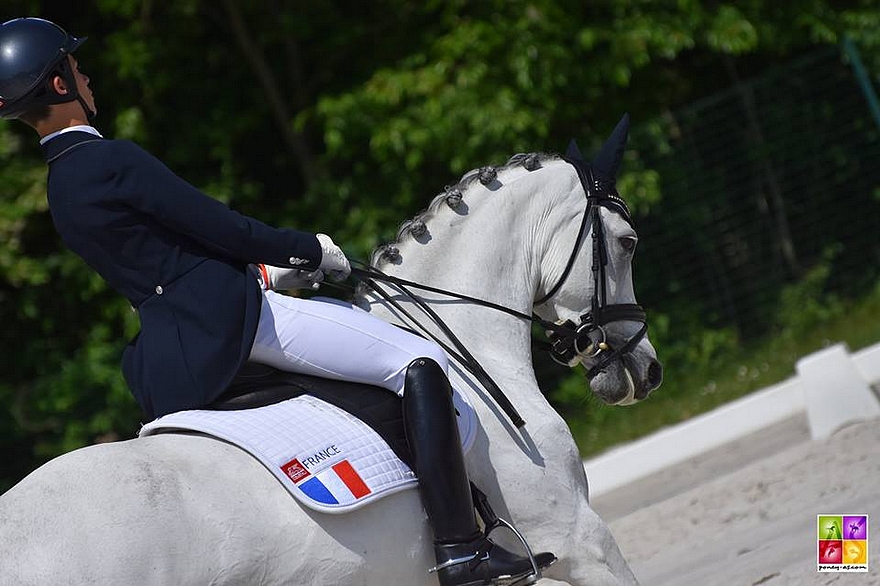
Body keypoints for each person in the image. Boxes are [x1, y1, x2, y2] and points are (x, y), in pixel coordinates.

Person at [0, 17, 555, 585]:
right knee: (418, 363)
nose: (87, 74)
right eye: (76, 66)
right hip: (232, 327)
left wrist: (261, 274)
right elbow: (222, 227)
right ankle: (463, 546)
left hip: (168, 360)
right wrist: (307, 250)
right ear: (62, 85)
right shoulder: (112, 159)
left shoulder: (61, 190)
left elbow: (165, 261)